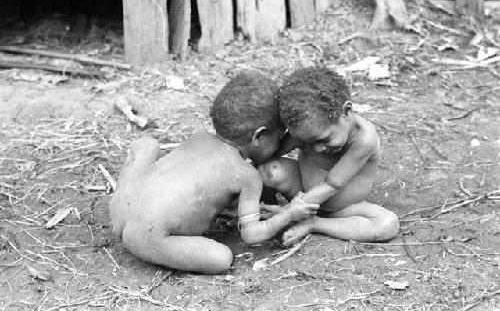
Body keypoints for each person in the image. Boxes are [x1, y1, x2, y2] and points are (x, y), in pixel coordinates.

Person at [109, 71, 319, 274]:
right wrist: (290, 212)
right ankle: (154, 242)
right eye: (278, 138)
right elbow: (252, 235)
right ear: (259, 136)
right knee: (222, 258)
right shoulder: (246, 175)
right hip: (146, 237)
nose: (280, 146)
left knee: (148, 145)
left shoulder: (199, 137)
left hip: (119, 209)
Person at [258, 67, 399, 246]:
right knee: (269, 170)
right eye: (307, 142)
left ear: (346, 112)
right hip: (302, 191)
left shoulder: (364, 139)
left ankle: (314, 223)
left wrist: (288, 213)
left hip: (344, 209)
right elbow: (268, 154)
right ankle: (266, 209)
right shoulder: (307, 127)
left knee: (387, 224)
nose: (317, 149)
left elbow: (331, 185)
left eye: (324, 139)